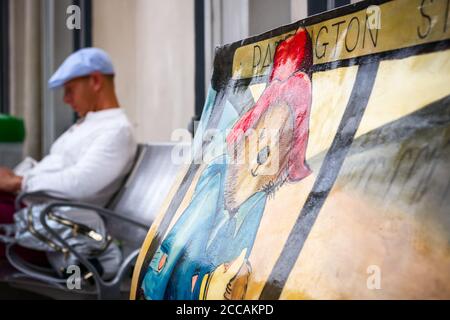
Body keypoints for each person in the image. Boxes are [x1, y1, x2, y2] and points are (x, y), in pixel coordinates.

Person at [141, 28, 312, 300]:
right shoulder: (217, 181)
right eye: (263, 142)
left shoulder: (259, 207)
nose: (265, 158)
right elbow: (174, 262)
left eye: (279, 151)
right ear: (246, 138)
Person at [0, 48, 137, 257]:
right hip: (32, 215)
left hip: (47, 228)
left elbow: (80, 184)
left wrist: (19, 182)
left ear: (96, 81)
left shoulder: (116, 130)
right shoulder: (88, 124)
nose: (66, 99)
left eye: (70, 90)